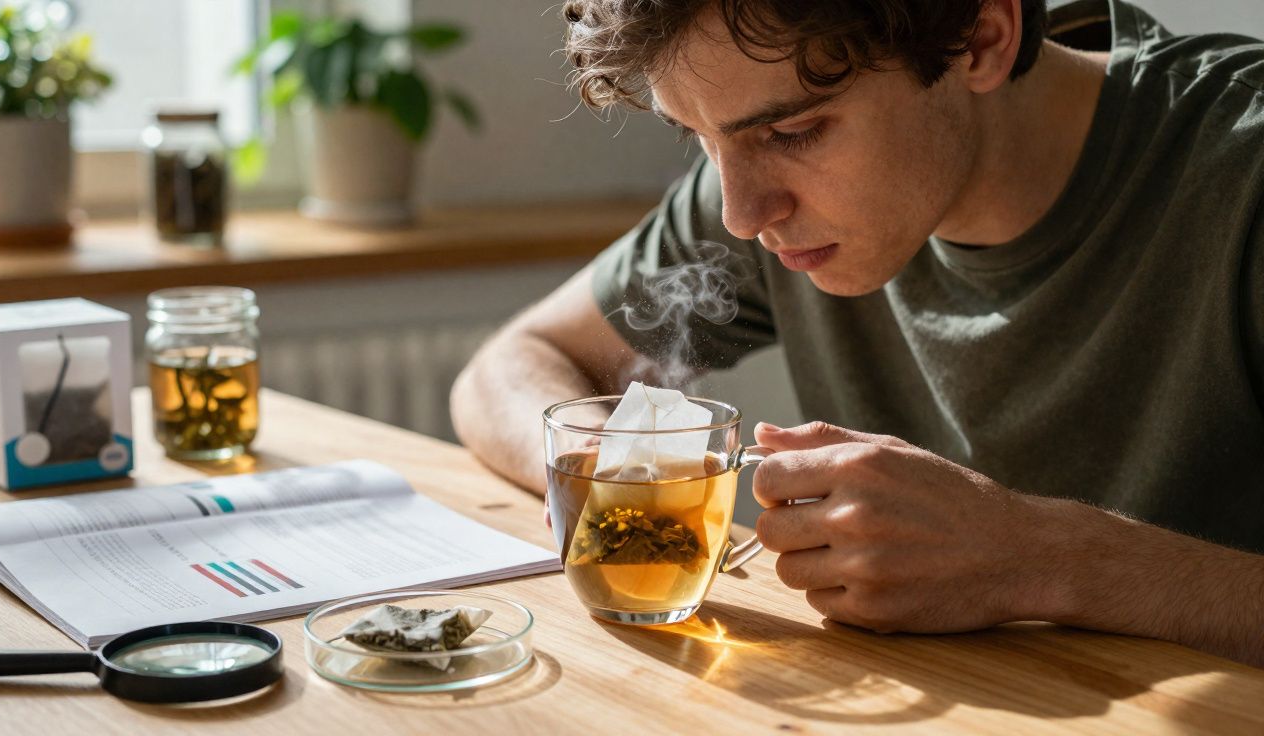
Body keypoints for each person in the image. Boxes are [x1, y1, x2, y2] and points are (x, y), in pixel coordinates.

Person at [451, 0, 1264, 666]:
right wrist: (618, 482)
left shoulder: (1243, 175)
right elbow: (512, 367)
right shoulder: (751, 187)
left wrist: (1047, 557)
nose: (741, 213)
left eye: (794, 132)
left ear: (981, 36)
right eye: (696, 136)